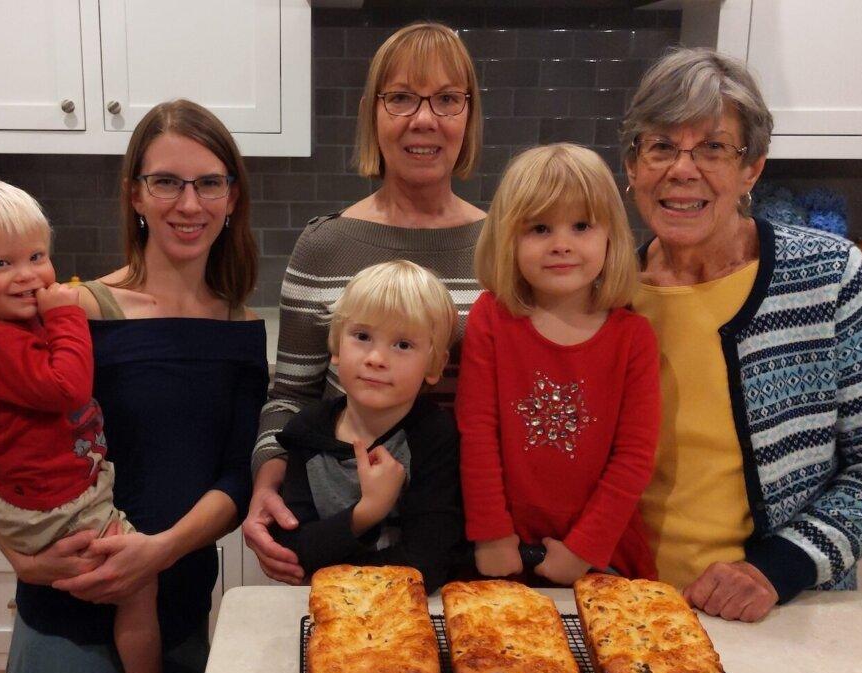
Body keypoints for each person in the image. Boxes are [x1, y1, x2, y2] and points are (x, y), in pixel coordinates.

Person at [0, 99, 268, 673]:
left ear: (232, 197)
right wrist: (24, 559)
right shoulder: (72, 313)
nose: (189, 203)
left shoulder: (241, 329)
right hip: (67, 609)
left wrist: (160, 551)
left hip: (177, 607)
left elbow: (238, 477)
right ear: (135, 194)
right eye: (166, 182)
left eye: (209, 183)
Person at [623, 47, 862, 622]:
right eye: (661, 146)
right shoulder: (603, 293)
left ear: (752, 169)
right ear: (633, 165)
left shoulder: (826, 275)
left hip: (778, 613)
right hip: (626, 605)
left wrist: (779, 567)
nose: (682, 170)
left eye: (713, 148)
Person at [0, 176, 188, 673]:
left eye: (36, 256)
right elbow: (68, 388)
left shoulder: (10, 330)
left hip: (46, 492)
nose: (28, 275)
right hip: (56, 507)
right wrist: (68, 315)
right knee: (138, 583)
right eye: (1, 264)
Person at [245, 22, 486, 584]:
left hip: (470, 543)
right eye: (401, 98)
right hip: (340, 542)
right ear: (371, 114)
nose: (423, 119)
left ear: (469, 116)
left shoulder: (503, 248)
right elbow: (291, 394)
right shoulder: (324, 245)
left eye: (447, 99)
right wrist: (267, 482)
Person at [456, 143, 661, 587]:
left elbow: (634, 458)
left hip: (604, 554)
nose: (561, 245)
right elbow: (477, 432)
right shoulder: (492, 318)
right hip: (504, 548)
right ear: (508, 240)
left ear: (611, 235)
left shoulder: (634, 338)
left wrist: (583, 549)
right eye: (540, 228)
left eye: (581, 226)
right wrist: (492, 533)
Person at [269, 260, 466, 592]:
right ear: (336, 345)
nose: (376, 359)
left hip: (407, 610)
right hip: (325, 607)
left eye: (403, 345)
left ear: (435, 365)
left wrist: (331, 566)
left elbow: (428, 564)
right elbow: (292, 552)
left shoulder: (434, 436)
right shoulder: (308, 430)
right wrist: (367, 512)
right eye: (362, 336)